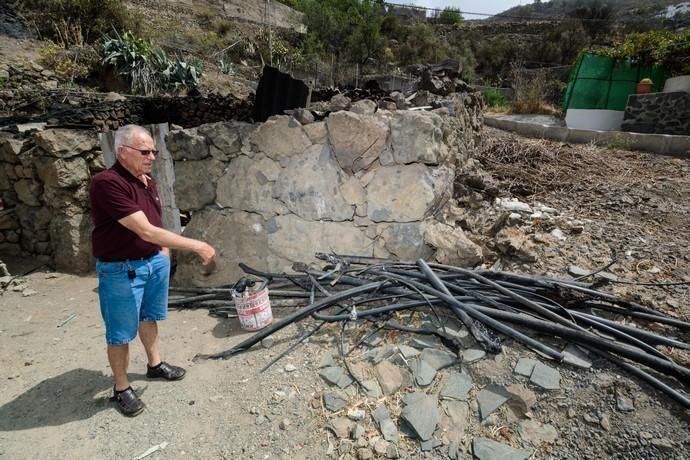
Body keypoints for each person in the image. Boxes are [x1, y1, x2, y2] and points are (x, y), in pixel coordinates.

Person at [89, 124, 216, 417]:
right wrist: (196, 245)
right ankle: (121, 388)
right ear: (122, 151)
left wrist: (163, 251)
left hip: (152, 262)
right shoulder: (107, 183)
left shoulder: (147, 180)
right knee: (119, 334)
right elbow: (145, 230)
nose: (151, 157)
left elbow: (153, 224)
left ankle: (155, 364)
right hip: (121, 270)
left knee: (149, 317)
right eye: (144, 152)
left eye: (153, 152)